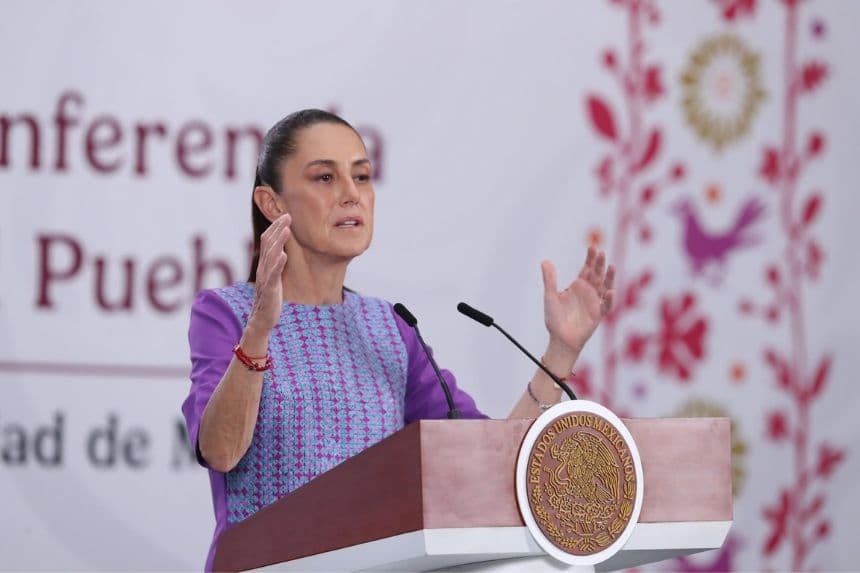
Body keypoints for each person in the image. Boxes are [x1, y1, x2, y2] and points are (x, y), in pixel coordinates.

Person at [181, 109, 615, 571]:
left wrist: (561, 352)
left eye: (362, 177)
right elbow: (221, 452)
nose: (352, 194)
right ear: (272, 204)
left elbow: (485, 460)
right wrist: (260, 331)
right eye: (325, 177)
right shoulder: (225, 313)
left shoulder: (389, 327)